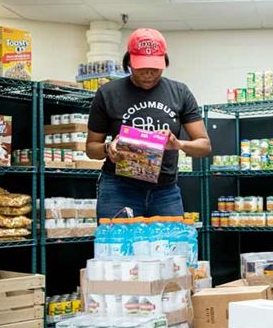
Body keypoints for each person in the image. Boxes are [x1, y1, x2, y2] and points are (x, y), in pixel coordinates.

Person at [86, 28, 211, 220]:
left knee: (170, 249)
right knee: (118, 248)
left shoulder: (180, 92)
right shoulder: (108, 93)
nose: (148, 73)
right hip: (119, 189)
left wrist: (179, 144)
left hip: (165, 191)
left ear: (165, 62)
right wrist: (107, 148)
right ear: (129, 61)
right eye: (141, 67)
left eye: (155, 67)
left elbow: (204, 145)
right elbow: (91, 148)